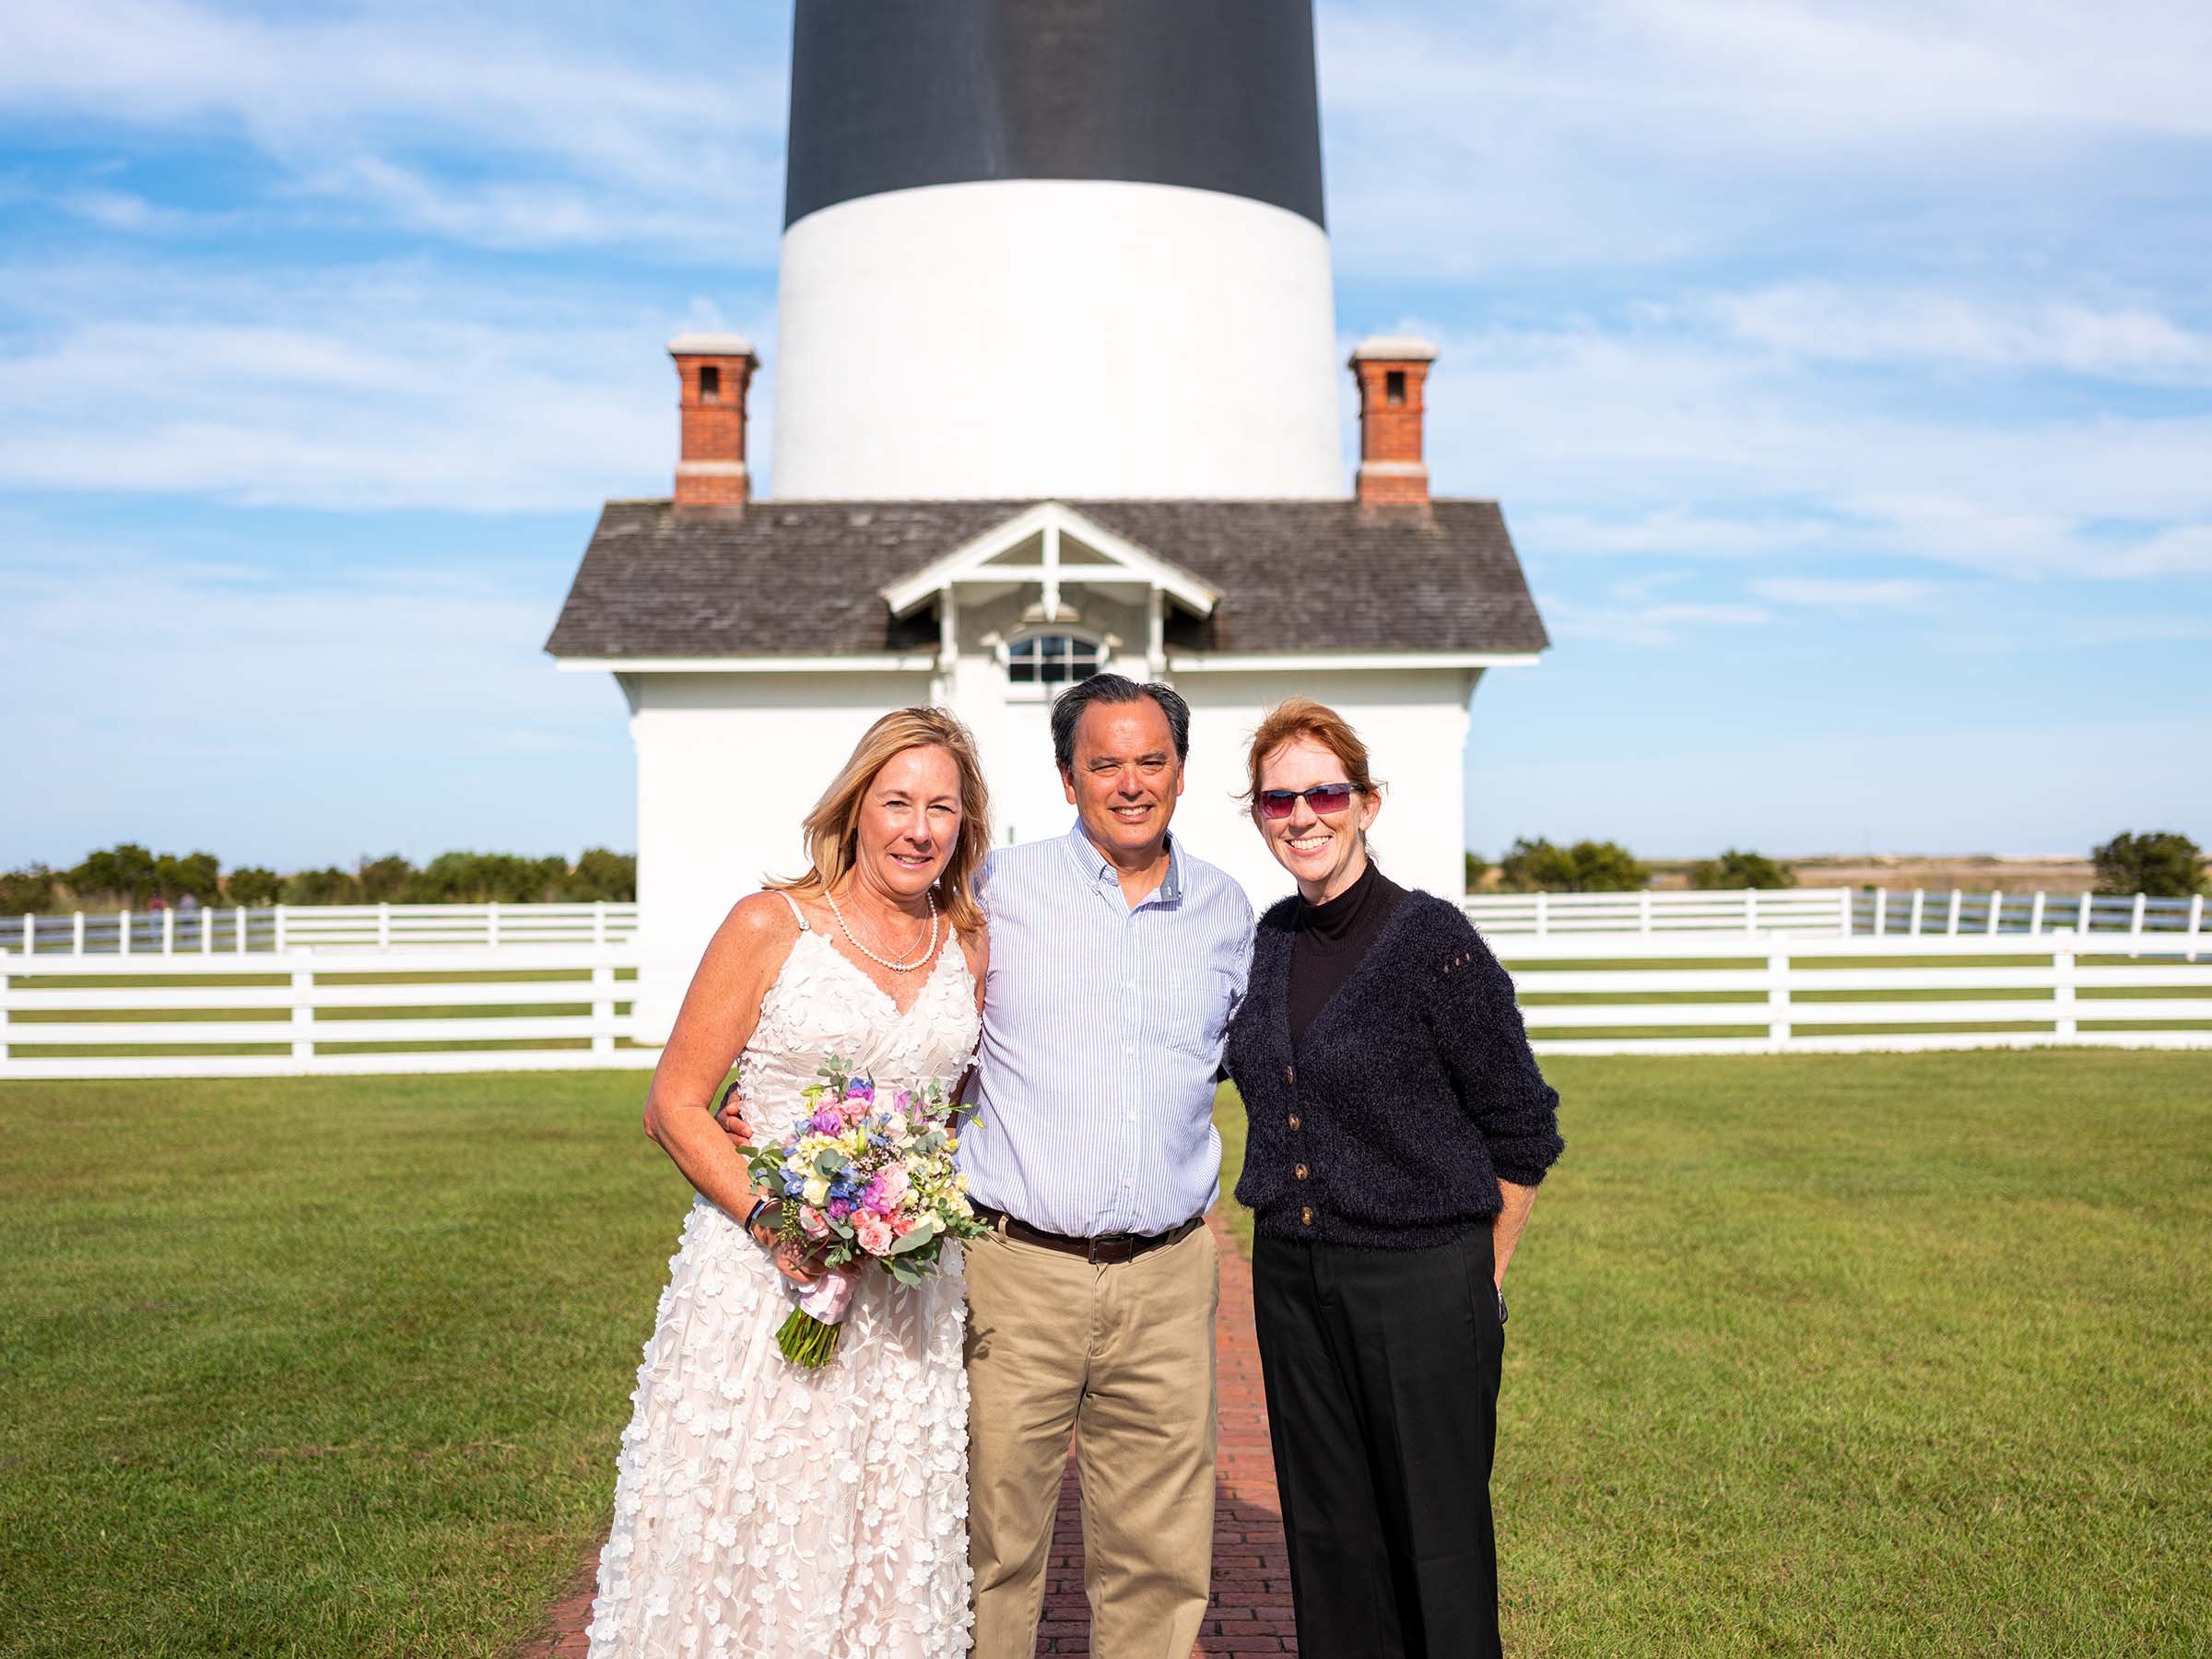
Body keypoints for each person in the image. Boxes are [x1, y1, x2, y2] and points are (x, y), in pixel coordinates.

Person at [586, 707, 993, 1659]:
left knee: (883, 1537)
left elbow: (953, 1112)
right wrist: (777, 1221)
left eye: (941, 808)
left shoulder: (970, 946)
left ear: (965, 828)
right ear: (855, 810)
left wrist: (909, 1202)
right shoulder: (771, 924)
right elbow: (676, 1103)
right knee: (753, 1524)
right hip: (761, 1285)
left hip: (905, 1305)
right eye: (896, 801)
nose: (918, 827)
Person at [1223, 697, 1564, 1659]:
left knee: (1436, 1547)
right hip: (1292, 1277)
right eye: (1278, 799)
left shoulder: (1431, 942)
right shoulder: (1266, 942)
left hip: (1421, 1277)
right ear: (1259, 815)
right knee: (1328, 1539)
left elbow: (1521, 1126)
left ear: (1367, 802)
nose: (1303, 816)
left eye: (1325, 792)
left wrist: (1478, 1278)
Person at [957, 674, 1254, 1659]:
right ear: (1066, 776)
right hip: (1016, 1271)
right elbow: (910, 1029)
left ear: (1179, 771)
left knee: (1160, 1557)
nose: (1131, 782)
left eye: (1151, 760)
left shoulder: (1225, 910)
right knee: (993, 1544)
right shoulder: (995, 892)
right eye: (1106, 763)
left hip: (1169, 1274)